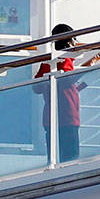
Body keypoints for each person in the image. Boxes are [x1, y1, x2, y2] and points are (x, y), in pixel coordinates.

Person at [33, 23, 85, 161]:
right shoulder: (65, 60)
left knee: (54, 158)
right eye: (73, 39)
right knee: (70, 157)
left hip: (51, 117)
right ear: (69, 42)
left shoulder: (48, 62)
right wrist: (84, 71)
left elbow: (36, 87)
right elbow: (66, 81)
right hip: (68, 117)